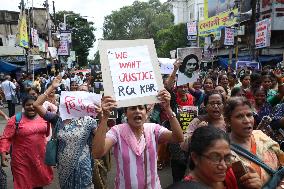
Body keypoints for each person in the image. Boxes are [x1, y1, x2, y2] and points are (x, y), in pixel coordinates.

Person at [92, 89, 184, 188]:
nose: (137, 111)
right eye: (132, 108)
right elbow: (97, 153)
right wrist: (105, 117)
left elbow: (178, 138)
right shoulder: (117, 131)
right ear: (125, 113)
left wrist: (168, 108)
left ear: (146, 113)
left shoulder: (154, 129)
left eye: (141, 108)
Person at [33, 76, 98, 189]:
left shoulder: (90, 121)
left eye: (84, 94)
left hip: (83, 168)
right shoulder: (58, 120)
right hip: (63, 167)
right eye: (78, 93)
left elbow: (102, 140)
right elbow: (36, 105)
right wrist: (51, 87)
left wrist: (104, 117)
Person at [167, 126, 261, 189]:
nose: (224, 166)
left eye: (227, 157)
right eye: (215, 158)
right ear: (195, 158)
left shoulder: (232, 174)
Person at [224, 97, 284, 187]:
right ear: (228, 121)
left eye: (249, 115)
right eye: (239, 116)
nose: (247, 121)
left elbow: (281, 165)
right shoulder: (224, 151)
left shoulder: (260, 136)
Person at [0, 95, 53, 189]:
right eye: (28, 105)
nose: (31, 107)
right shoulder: (15, 119)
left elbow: (47, 134)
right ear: (23, 106)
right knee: (23, 184)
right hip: (21, 160)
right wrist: (3, 152)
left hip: (39, 159)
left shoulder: (44, 118)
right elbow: (6, 137)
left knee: (38, 183)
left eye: (34, 105)